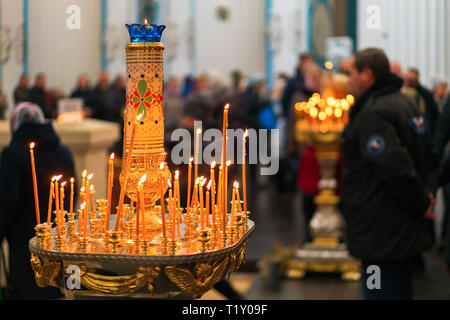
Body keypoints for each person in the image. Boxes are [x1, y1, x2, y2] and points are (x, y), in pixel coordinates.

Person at [341, 48, 439, 300]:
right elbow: (429, 155)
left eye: (351, 72)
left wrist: (421, 203)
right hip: (396, 227)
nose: (347, 79)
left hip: (380, 230)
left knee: (380, 291)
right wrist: (427, 195)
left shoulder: (374, 112)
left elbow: (396, 169)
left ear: (367, 74)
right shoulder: (403, 101)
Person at [0, 102, 76, 299]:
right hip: (59, 240)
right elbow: (71, 195)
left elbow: (6, 201)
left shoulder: (12, 154)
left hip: (26, 242)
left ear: (15, 125)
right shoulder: (64, 152)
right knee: (59, 289)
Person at [404, 68, 439, 138]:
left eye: (411, 80)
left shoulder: (426, 94)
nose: (408, 82)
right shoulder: (402, 94)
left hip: (424, 130)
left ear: (416, 80)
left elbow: (434, 114)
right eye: (407, 79)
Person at [281, 53, 313, 119]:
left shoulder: (315, 79)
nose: (307, 65)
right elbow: (285, 100)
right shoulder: (293, 82)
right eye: (305, 62)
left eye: (309, 62)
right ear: (300, 63)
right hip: (296, 117)